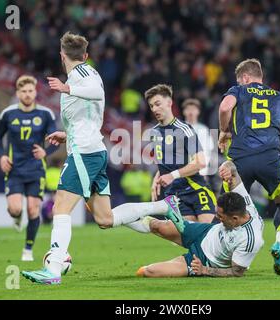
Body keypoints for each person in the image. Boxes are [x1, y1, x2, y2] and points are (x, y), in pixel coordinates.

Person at [21, 32, 182, 285]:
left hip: (85, 153)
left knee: (61, 206)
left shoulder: (84, 74)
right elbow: (88, 114)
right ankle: (164, 206)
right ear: (85, 54)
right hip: (89, 148)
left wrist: (66, 88)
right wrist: (68, 134)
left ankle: (53, 268)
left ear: (62, 56)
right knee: (105, 219)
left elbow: (96, 92)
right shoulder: (80, 75)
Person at [218, 58, 280, 275]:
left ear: (245, 78)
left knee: (227, 208)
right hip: (270, 159)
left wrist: (224, 131)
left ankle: (228, 256)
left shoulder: (238, 90)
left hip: (240, 160)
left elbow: (225, 106)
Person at [135, 161, 264, 277]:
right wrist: (227, 167)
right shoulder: (244, 203)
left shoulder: (251, 239)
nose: (217, 218)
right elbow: (234, 171)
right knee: (157, 226)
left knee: (148, 271)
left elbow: (236, 272)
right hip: (204, 232)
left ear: (235, 218)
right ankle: (120, 218)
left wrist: (205, 270)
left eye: (220, 217)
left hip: (204, 259)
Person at [0, 75, 58, 261]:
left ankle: (28, 250)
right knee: (15, 209)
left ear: (35, 92)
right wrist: (2, 156)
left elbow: (56, 139)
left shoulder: (45, 114)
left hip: (36, 170)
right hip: (14, 170)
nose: (27, 94)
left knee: (33, 210)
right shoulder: (8, 114)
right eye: (24, 91)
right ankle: (16, 217)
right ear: (17, 93)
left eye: (30, 91)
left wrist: (46, 152)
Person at [146, 85, 217, 223]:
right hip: (174, 193)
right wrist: (157, 177)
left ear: (169, 103)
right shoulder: (154, 132)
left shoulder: (184, 129)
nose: (154, 109)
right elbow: (167, 162)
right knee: (188, 238)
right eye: (151, 106)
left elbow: (200, 162)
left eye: (157, 104)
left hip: (194, 187)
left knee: (210, 233)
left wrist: (172, 175)